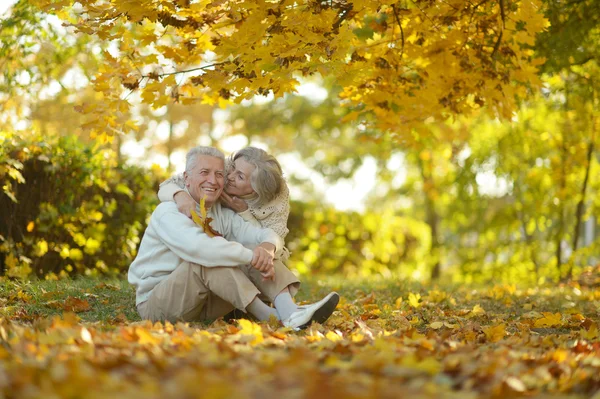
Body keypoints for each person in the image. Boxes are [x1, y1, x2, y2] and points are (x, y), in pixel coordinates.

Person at [129, 146, 338, 329]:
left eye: (219, 174)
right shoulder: (169, 211)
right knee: (209, 257)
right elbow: (201, 250)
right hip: (158, 305)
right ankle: (273, 317)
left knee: (257, 247)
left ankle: (290, 311)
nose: (213, 180)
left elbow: (265, 235)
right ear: (186, 178)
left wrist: (266, 249)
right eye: (204, 172)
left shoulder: (222, 213)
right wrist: (252, 257)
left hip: (201, 303)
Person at [158, 146, 294, 308]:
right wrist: (179, 195)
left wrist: (244, 212)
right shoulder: (224, 168)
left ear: (255, 190)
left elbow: (269, 236)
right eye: (233, 169)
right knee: (215, 255)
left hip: (244, 254)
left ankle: (286, 308)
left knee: (263, 252)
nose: (229, 176)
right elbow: (167, 185)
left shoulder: (276, 201)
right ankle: (277, 312)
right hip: (216, 252)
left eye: (240, 176)